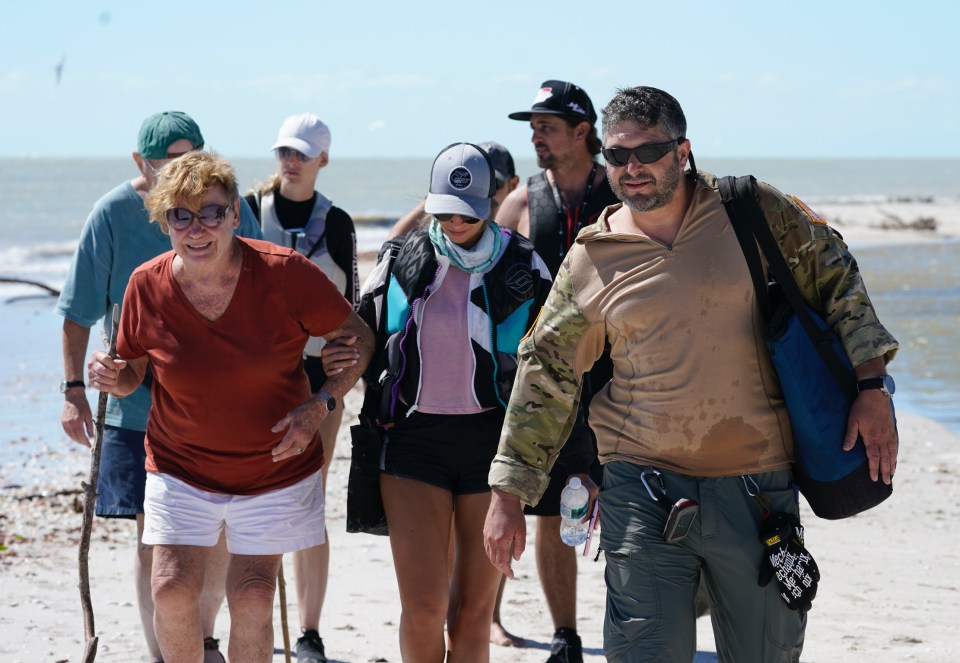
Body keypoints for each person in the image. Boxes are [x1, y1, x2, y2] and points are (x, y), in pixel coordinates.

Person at [484, 85, 900, 662]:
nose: (631, 168)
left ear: (682, 151)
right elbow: (546, 371)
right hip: (641, 488)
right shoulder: (592, 256)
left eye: (648, 151)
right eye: (616, 155)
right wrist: (509, 491)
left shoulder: (751, 209)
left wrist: (873, 387)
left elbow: (837, 280)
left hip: (758, 490)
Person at [86, 151, 374, 663]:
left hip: (274, 466)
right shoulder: (145, 286)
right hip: (180, 464)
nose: (197, 229)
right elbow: (130, 372)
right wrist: (110, 375)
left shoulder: (285, 273)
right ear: (164, 222)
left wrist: (321, 403)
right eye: (181, 215)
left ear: (235, 216)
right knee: (170, 588)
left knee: (253, 594)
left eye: (212, 213)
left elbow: (359, 338)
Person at [56, 111, 262, 663]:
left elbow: (265, 285)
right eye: (166, 163)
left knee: (217, 536)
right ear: (139, 164)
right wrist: (75, 388)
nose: (180, 173)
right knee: (157, 544)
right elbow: (77, 312)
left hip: (220, 410)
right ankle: (166, 655)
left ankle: (206, 639)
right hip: (135, 409)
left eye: (189, 158)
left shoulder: (227, 207)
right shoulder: (112, 213)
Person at [347, 142, 551, 661]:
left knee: (470, 615)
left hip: (493, 446)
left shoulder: (524, 263)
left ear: (489, 202)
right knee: (423, 608)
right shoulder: (400, 257)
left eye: (467, 209)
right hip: (412, 443)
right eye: (443, 207)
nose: (455, 219)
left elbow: (557, 364)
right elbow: (356, 337)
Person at [495, 79, 622, 661]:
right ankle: (566, 635)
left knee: (629, 500)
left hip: (624, 375)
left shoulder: (623, 192)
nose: (535, 135)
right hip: (550, 381)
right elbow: (491, 292)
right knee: (552, 508)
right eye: (532, 126)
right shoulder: (522, 203)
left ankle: (637, 623)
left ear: (582, 131)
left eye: (547, 125)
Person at [245, 112, 359, 663]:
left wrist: (342, 367)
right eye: (284, 152)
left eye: (302, 153)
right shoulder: (247, 208)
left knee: (308, 498)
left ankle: (309, 634)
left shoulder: (336, 222)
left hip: (316, 381)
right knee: (248, 495)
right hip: (255, 376)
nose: (290, 162)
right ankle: (252, 620)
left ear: (323, 160)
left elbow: (354, 309)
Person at [386, 140, 520, 240]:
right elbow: (393, 241)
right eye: (473, 182)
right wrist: (438, 195)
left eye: (495, 184)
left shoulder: (523, 219)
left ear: (513, 184)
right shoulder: (448, 218)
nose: (486, 191)